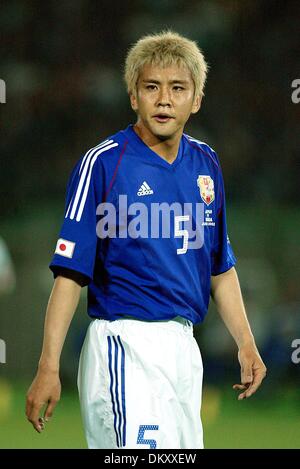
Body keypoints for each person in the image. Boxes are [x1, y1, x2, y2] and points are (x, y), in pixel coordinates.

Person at [26, 30, 267, 449]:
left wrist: (246, 343)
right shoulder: (102, 164)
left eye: (178, 88)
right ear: (133, 96)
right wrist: (48, 364)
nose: (164, 99)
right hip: (125, 344)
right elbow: (70, 274)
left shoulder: (206, 164)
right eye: (151, 87)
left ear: (197, 99)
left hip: (183, 349)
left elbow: (219, 266)